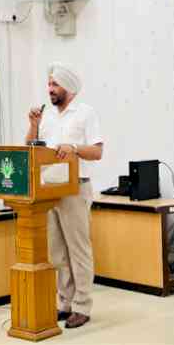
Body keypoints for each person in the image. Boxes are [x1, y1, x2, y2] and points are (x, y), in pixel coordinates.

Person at [25, 62, 103, 328]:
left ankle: (82, 306)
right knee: (58, 253)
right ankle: (65, 303)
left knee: (78, 250)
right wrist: (33, 125)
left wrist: (73, 147)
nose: (50, 90)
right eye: (48, 84)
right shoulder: (45, 115)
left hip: (75, 188)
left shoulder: (85, 113)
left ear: (67, 87)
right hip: (50, 190)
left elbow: (97, 151)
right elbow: (30, 147)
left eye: (54, 85)